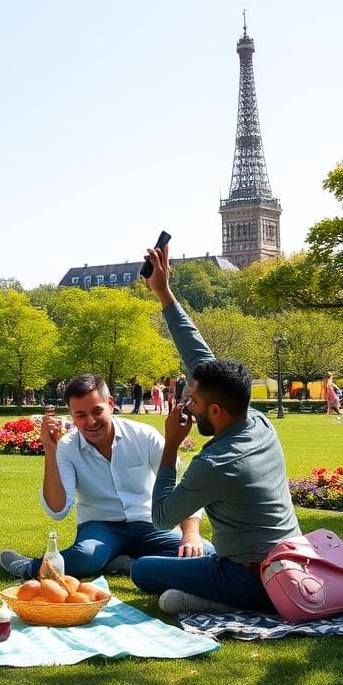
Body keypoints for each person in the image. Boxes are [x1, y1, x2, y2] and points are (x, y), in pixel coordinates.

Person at [132, 240, 302, 613]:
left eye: (192, 400)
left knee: (143, 571)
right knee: (175, 567)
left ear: (217, 411)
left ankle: (217, 603)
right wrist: (164, 293)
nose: (187, 404)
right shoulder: (257, 421)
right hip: (294, 562)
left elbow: (162, 517)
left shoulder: (215, 463)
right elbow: (199, 356)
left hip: (248, 576)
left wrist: (171, 447)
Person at [0, 377, 209, 582]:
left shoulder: (143, 435)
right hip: (100, 526)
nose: (90, 422)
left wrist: (190, 533)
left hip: (148, 522)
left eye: (97, 411)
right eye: (80, 415)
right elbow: (58, 510)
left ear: (110, 403)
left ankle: (127, 564)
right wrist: (51, 450)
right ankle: (29, 567)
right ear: (71, 415)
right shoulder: (68, 447)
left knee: (203, 552)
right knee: (87, 555)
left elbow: (182, 486)